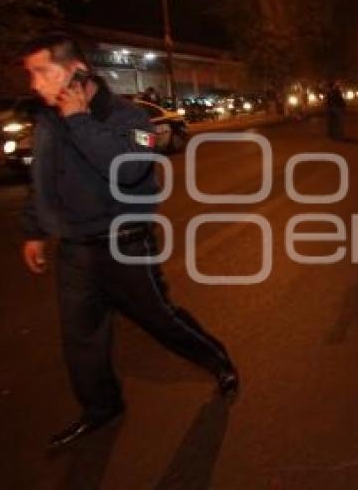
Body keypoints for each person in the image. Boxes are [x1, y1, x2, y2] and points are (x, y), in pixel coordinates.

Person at [19, 32, 238, 449]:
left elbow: (130, 168)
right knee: (81, 338)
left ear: (76, 72)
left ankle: (217, 360)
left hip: (126, 246)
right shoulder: (47, 119)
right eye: (30, 74)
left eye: (41, 72)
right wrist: (34, 229)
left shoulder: (131, 119)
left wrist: (79, 121)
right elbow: (43, 179)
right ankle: (102, 408)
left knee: (162, 320)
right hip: (76, 249)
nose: (34, 84)